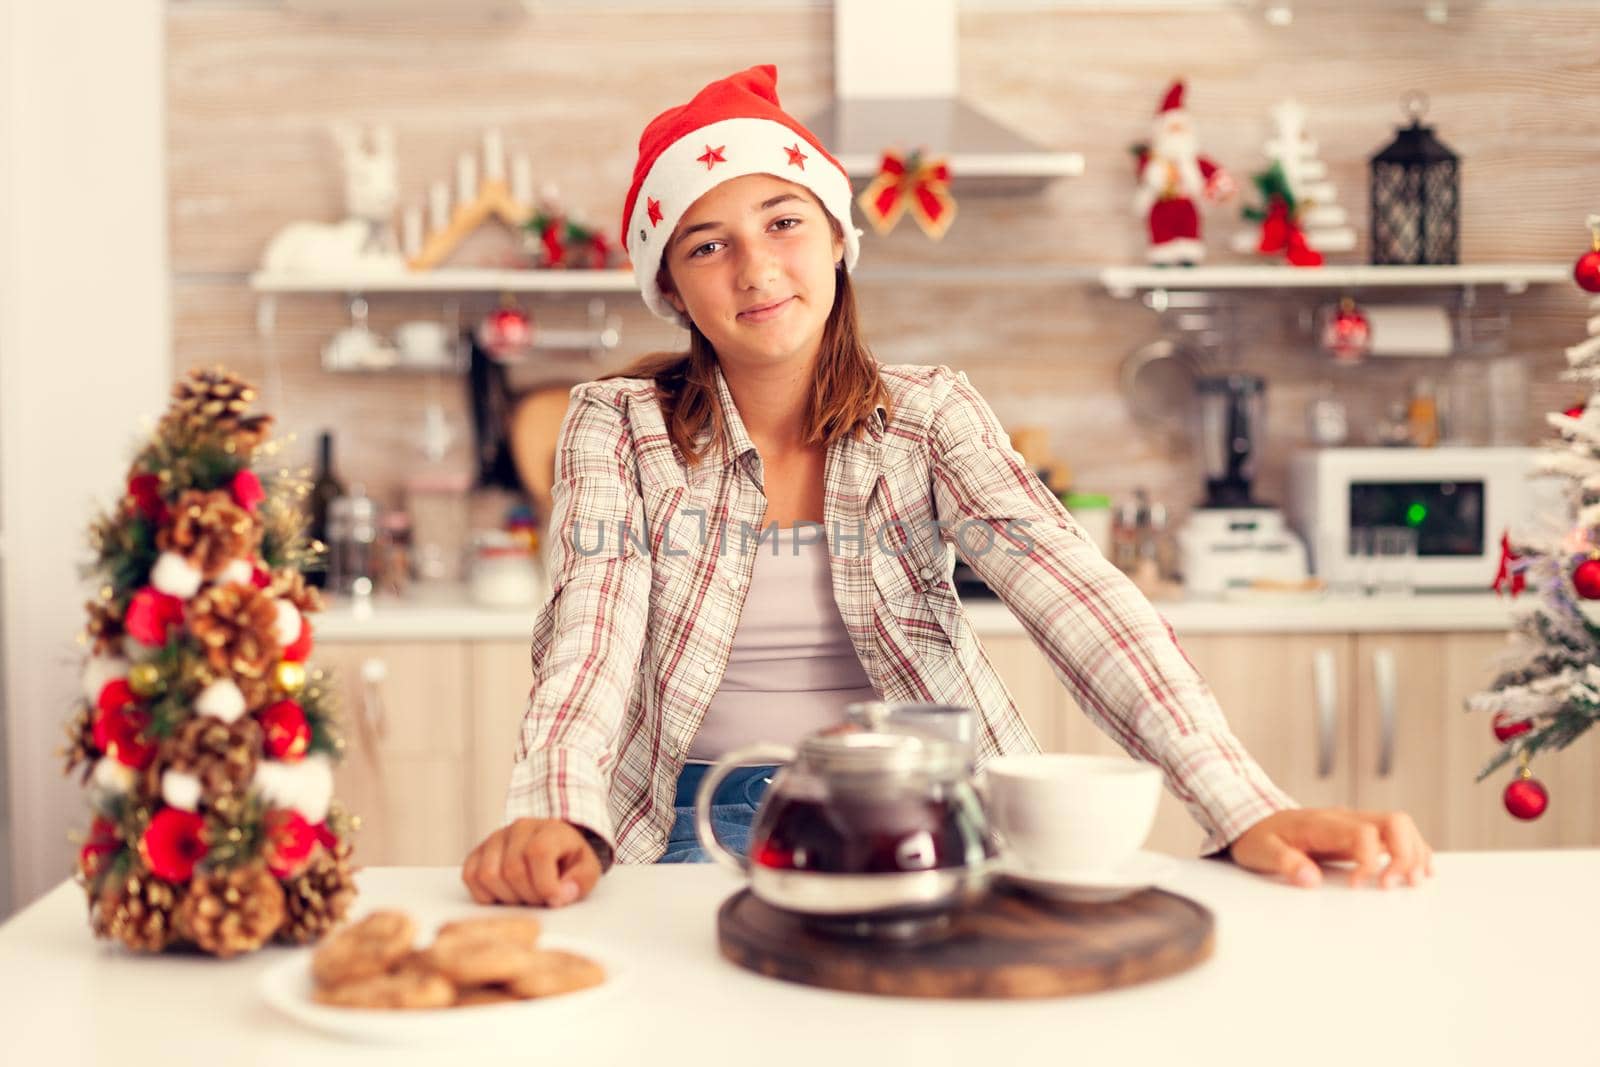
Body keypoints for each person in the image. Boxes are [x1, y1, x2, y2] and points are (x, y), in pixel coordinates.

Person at [461, 65, 1433, 908]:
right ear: (671, 285)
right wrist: (555, 811)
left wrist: (1242, 803)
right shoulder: (615, 424)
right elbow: (590, 635)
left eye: (784, 221)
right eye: (706, 242)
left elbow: (1081, 599)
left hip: (928, 814)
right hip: (686, 817)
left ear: (838, 238)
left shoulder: (929, 416)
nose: (756, 266)